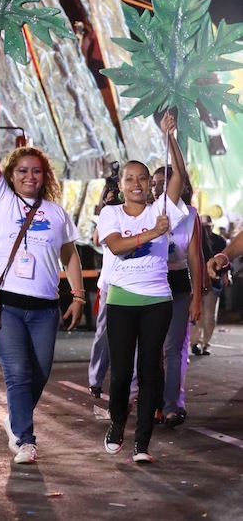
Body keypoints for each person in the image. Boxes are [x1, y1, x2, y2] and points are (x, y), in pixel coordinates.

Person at [0, 95, 85, 465]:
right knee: (19, 372)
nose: (30, 176)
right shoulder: (0, 201)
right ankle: (25, 439)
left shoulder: (57, 213)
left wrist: (77, 296)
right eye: (22, 170)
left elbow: (70, 255)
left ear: (46, 176)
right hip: (6, 303)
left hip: (44, 307)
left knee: (40, 373)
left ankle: (16, 418)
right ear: (11, 175)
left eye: (36, 171)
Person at [97, 111, 186, 465]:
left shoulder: (161, 207)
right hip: (121, 301)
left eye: (143, 178)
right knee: (121, 373)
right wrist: (153, 233)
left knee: (151, 370)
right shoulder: (111, 213)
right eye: (129, 178)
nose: (136, 183)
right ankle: (118, 423)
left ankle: (143, 443)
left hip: (157, 301)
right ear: (121, 185)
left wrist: (171, 138)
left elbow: (179, 175)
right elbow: (117, 246)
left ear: (151, 184)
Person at [151, 165, 202, 427]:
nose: (159, 187)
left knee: (172, 348)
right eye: (155, 183)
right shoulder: (147, 211)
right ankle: (149, 402)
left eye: (165, 182)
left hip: (179, 283)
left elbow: (195, 258)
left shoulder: (190, 215)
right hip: (149, 281)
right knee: (150, 347)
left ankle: (171, 406)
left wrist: (197, 297)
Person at [192, 215, 227, 355]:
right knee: (196, 314)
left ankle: (205, 343)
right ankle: (196, 342)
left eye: (208, 226)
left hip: (214, 283)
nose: (206, 228)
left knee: (209, 316)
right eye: (204, 226)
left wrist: (223, 275)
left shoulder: (219, 241)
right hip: (197, 282)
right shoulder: (196, 238)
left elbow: (225, 261)